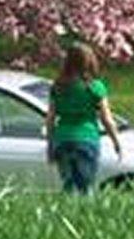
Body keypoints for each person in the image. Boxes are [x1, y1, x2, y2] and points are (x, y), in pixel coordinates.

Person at [44, 42, 123, 194]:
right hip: (86, 138)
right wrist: (116, 142)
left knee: (68, 186)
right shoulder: (95, 87)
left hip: (62, 139)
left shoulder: (58, 87)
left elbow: (50, 119)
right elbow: (106, 119)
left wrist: (50, 145)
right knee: (86, 187)